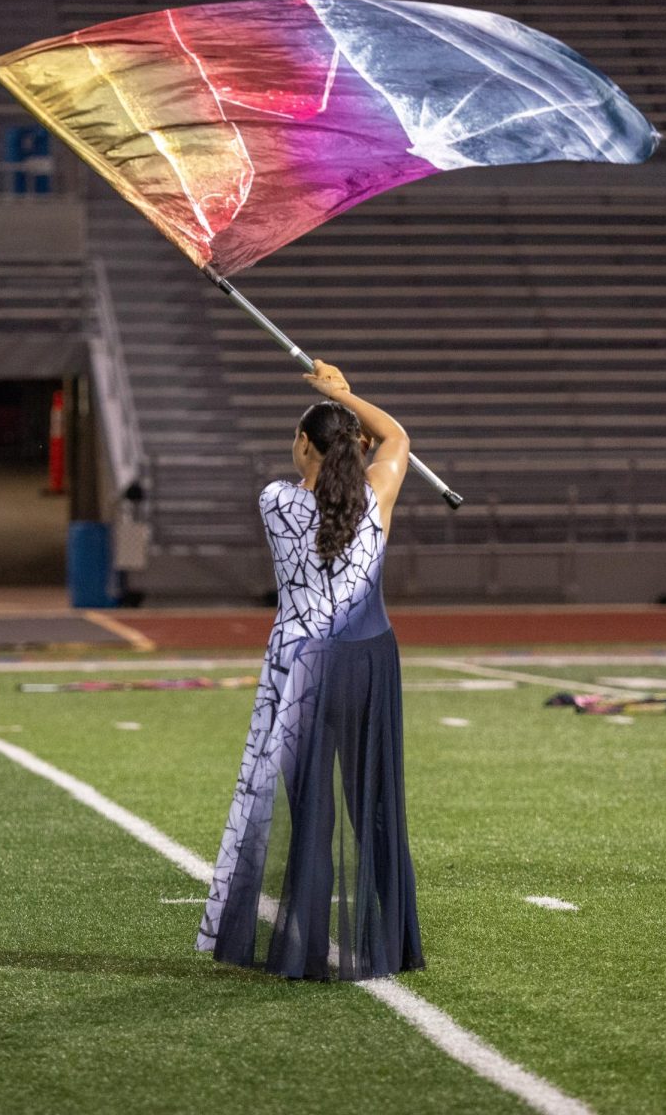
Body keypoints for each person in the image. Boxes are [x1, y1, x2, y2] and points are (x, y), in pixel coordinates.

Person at [197, 360, 424, 981]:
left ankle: (301, 948)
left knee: (313, 814)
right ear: (354, 448)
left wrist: (338, 412)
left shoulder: (275, 501)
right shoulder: (379, 492)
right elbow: (398, 439)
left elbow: (351, 459)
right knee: (374, 803)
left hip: (301, 668)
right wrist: (345, 395)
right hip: (369, 659)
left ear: (303, 445)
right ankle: (394, 945)